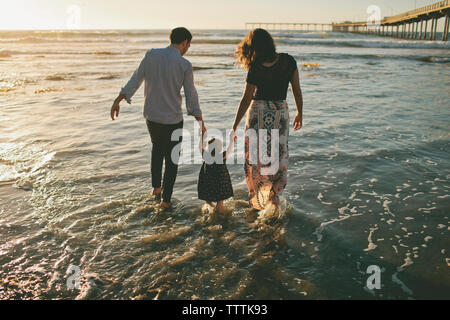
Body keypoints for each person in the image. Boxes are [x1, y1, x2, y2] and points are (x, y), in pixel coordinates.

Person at [110, 27, 206, 208]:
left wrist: (119, 99)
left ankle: (156, 189)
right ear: (185, 42)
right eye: (189, 44)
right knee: (172, 159)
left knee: (157, 149)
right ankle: (166, 201)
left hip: (152, 117)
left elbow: (135, 79)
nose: (188, 48)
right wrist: (199, 119)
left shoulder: (151, 55)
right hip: (172, 118)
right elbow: (191, 95)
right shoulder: (184, 65)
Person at [232, 28, 303, 210]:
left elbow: (247, 97)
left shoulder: (256, 65)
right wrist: (299, 113)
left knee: (256, 158)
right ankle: (273, 198)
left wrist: (235, 124)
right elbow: (296, 89)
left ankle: (258, 200)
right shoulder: (288, 61)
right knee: (278, 156)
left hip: (257, 114)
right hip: (280, 113)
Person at [197, 132, 235, 215]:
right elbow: (230, 149)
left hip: (207, 183)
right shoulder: (221, 156)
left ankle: (208, 213)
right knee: (220, 201)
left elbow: (199, 147)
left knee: (208, 200)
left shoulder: (206, 156)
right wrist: (232, 140)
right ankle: (220, 216)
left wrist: (201, 137)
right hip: (220, 183)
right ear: (219, 148)